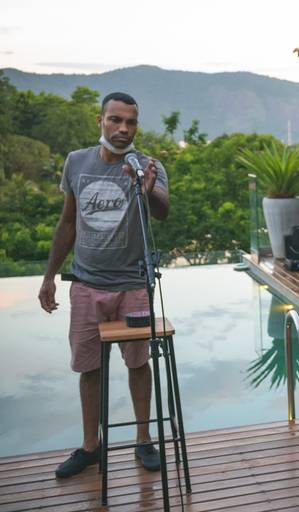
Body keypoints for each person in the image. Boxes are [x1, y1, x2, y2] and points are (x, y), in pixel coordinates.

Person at [38, 92, 170, 478]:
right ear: (100, 121)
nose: (123, 129)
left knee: (138, 363)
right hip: (86, 283)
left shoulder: (148, 166)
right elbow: (67, 222)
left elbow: (163, 211)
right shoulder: (77, 162)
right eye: (115, 120)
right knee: (89, 368)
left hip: (133, 284)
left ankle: (143, 439)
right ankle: (90, 447)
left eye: (130, 122)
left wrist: (147, 189)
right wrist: (49, 276)